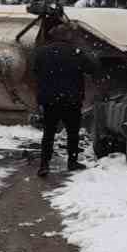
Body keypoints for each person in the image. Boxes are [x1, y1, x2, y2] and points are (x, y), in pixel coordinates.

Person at [31, 15, 99, 177]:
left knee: (48, 133)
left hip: (50, 100)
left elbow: (35, 72)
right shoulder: (76, 52)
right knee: (72, 133)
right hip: (71, 100)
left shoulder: (42, 52)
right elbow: (92, 69)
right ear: (68, 37)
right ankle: (72, 162)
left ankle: (44, 165)